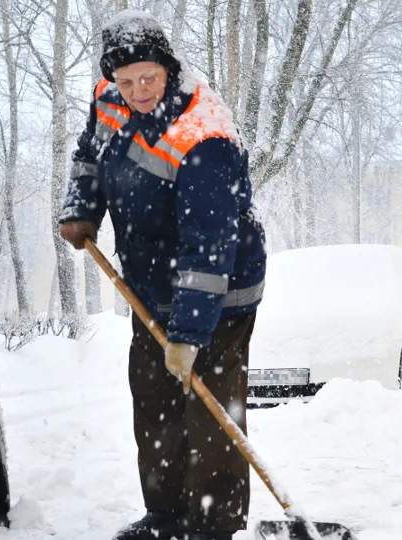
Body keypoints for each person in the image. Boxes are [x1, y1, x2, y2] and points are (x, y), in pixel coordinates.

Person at [57, 10, 266, 540]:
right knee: (154, 407)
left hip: (219, 295)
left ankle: (215, 526)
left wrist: (190, 335)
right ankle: (167, 518)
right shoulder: (110, 97)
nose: (137, 91)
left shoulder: (204, 135)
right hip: (151, 287)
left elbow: (209, 245)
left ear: (168, 68)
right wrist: (82, 207)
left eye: (147, 77)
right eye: (125, 81)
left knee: (209, 417)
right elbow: (90, 153)